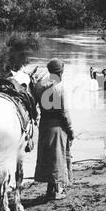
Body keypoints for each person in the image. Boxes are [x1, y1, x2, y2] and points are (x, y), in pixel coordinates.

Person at [33, 58, 75, 200]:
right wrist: (70, 130)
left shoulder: (39, 85)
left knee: (48, 157)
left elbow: (34, 105)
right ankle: (57, 191)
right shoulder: (59, 87)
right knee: (58, 157)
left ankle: (49, 190)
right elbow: (64, 112)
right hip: (57, 125)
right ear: (61, 71)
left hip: (44, 123)